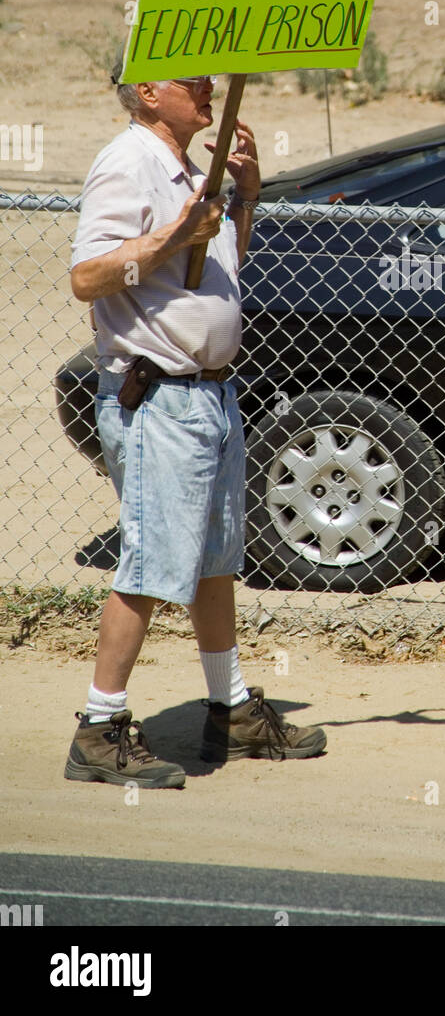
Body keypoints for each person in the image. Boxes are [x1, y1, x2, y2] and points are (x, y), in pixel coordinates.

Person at [64, 63, 326, 789]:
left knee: (215, 556)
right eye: (190, 81)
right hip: (159, 398)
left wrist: (243, 199)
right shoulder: (128, 162)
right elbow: (87, 276)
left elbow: (216, 265)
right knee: (151, 561)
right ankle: (98, 724)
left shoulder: (185, 167)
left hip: (208, 393)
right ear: (148, 92)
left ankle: (231, 709)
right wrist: (178, 231)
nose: (208, 88)